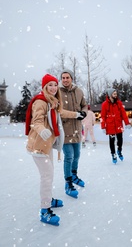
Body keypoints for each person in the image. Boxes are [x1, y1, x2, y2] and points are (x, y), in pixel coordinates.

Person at [25, 73, 83, 226]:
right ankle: (45, 210)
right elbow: (36, 120)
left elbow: (61, 113)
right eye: (49, 85)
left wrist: (76, 114)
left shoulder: (53, 102)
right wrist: (41, 129)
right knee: (47, 177)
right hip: (39, 145)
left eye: (55, 85)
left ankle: (49, 200)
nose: (53, 87)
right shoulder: (41, 102)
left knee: (49, 175)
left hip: (47, 144)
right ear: (44, 87)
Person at [60, 69, 88, 198]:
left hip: (77, 129)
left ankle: (74, 175)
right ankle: (68, 182)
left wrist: (84, 112)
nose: (65, 80)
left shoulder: (79, 91)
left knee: (77, 155)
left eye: (67, 77)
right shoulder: (58, 92)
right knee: (69, 156)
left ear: (71, 78)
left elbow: (84, 105)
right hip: (64, 130)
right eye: (63, 78)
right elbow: (58, 111)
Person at [101, 88, 130, 164]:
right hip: (110, 126)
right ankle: (113, 154)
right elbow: (103, 116)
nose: (116, 95)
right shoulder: (104, 104)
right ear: (110, 95)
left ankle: (119, 150)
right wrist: (103, 126)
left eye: (116, 94)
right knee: (112, 141)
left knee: (120, 140)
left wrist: (127, 123)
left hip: (118, 125)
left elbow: (123, 113)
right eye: (114, 94)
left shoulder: (119, 103)